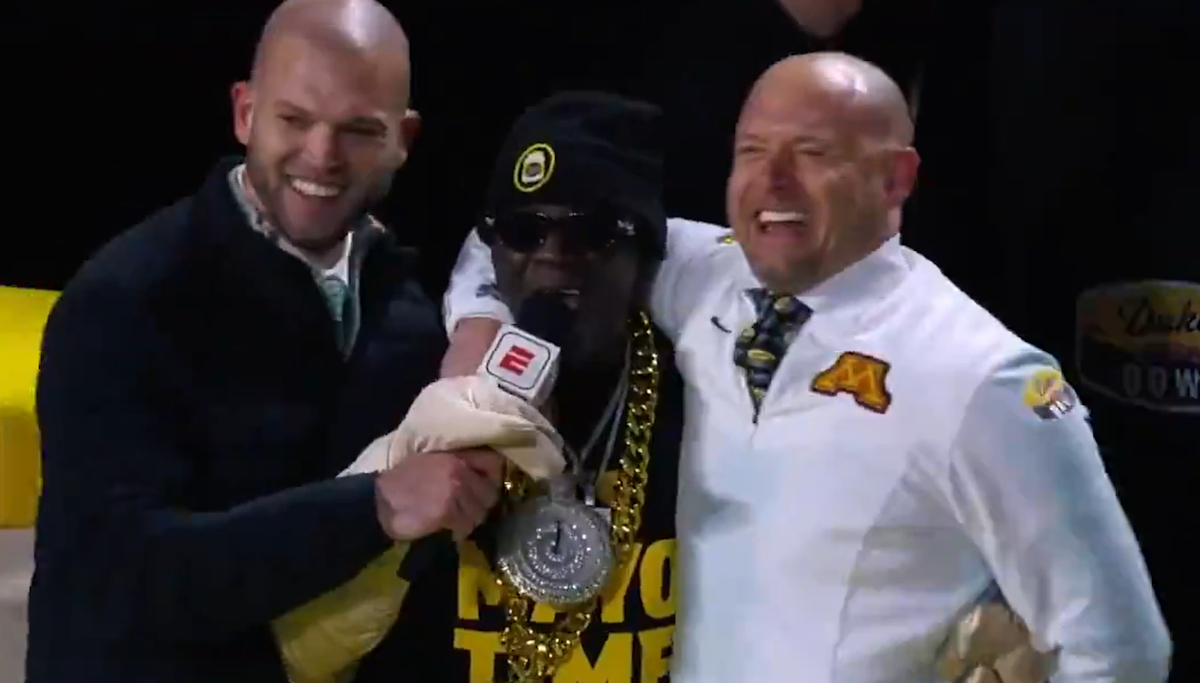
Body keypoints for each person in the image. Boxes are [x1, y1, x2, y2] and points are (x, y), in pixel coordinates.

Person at [442, 53, 1172, 682]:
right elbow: (513, 234)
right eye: (753, 151)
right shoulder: (706, 276)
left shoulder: (982, 377)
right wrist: (477, 336)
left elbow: (1122, 651)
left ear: (896, 179)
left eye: (813, 153)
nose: (774, 182)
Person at [26, 1, 504, 681]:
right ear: (245, 113)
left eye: (358, 130)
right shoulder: (124, 301)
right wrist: (375, 505)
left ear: (403, 139)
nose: (322, 155)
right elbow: (119, 578)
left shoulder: (407, 315)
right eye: (294, 120)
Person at [350, 91, 686, 683]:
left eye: (593, 231)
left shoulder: (704, 396)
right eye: (523, 230)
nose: (552, 257)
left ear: (645, 249)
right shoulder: (411, 379)